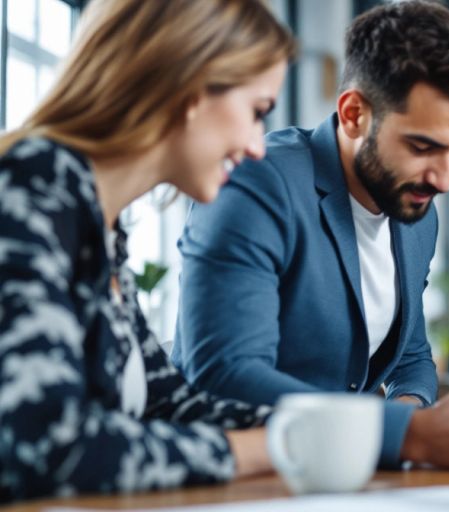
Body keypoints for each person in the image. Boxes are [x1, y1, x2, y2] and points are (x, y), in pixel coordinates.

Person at [171, 0, 449, 470]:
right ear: (353, 114)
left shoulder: (416, 212)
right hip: (239, 477)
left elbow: (410, 353)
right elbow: (225, 374)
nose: (444, 179)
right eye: (422, 146)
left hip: (345, 475)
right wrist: (408, 433)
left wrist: (413, 405)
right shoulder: (256, 182)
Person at [0, 0, 295, 502]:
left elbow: (168, 403)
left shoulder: (99, 221)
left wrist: (319, 429)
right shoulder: (32, 185)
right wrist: (260, 448)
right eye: (256, 112)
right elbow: (46, 444)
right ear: (191, 87)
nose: (257, 146)